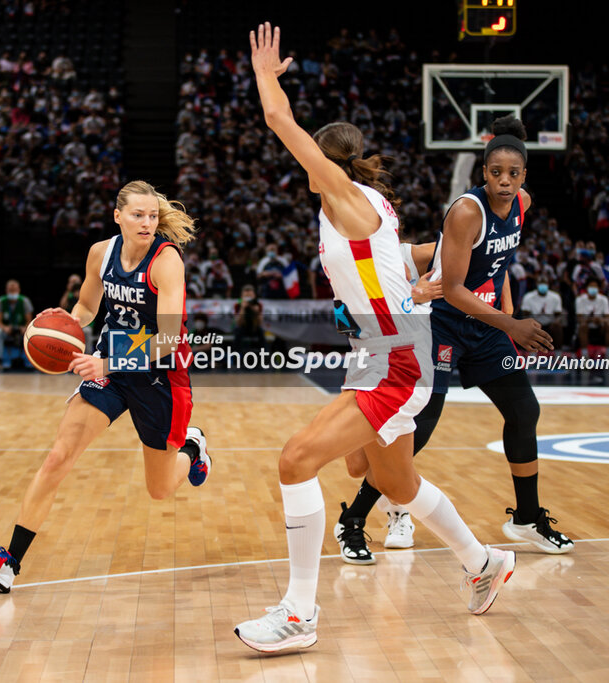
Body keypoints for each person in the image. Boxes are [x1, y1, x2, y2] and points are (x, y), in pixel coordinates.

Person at [234, 24, 516, 654]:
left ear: (325, 165)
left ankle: (299, 615)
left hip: (395, 357)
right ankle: (482, 562)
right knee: (395, 482)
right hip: (379, 350)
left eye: (312, 160)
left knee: (295, 459)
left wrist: (264, 79)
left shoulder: (347, 197)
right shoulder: (358, 208)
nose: (301, 167)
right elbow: (405, 257)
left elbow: (279, 120)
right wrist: (429, 277)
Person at [333, 113, 573, 567]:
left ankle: (525, 517)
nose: (504, 181)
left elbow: (499, 265)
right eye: (496, 173)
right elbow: (457, 290)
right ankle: (354, 519)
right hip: (443, 322)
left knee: (524, 410)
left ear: (524, 176)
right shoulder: (466, 211)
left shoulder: (521, 203)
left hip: (485, 328)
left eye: (513, 174)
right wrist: (513, 324)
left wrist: (504, 312)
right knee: (419, 428)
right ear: (483, 173)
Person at [0, 180, 212, 593]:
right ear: (117, 216)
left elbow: (170, 338)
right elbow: (86, 306)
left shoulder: (166, 261)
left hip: (160, 374)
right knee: (58, 457)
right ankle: (9, 561)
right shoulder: (101, 254)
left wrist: (107, 359)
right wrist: (61, 322)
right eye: (138, 215)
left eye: (152, 216)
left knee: (159, 490)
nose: (147, 223)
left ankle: (193, 448)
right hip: (111, 368)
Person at [0, 279, 34, 371]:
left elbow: (29, 321)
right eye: (10, 291)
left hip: (21, 329)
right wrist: (4, 328)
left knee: (33, 332)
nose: (12, 292)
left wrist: (25, 328)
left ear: (19, 290)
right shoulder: (0, 301)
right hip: (7, 329)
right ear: (6, 291)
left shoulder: (25, 301)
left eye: (14, 290)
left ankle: (33, 361)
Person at [520, 277, 564, 349]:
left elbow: (558, 315)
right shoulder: (528, 297)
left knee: (558, 327)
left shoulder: (555, 297)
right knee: (529, 326)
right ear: (537, 284)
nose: (542, 285)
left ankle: (558, 353)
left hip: (550, 324)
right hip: (535, 324)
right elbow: (525, 315)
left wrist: (556, 322)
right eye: (540, 283)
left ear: (548, 284)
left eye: (544, 283)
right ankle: (532, 353)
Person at [576, 277, 609, 357]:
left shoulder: (604, 299)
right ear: (586, 288)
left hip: (600, 327)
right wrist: (590, 320)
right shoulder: (580, 299)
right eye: (591, 286)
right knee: (582, 325)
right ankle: (585, 357)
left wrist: (600, 320)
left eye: (595, 287)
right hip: (586, 326)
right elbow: (579, 318)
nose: (593, 289)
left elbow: (608, 317)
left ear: (598, 288)